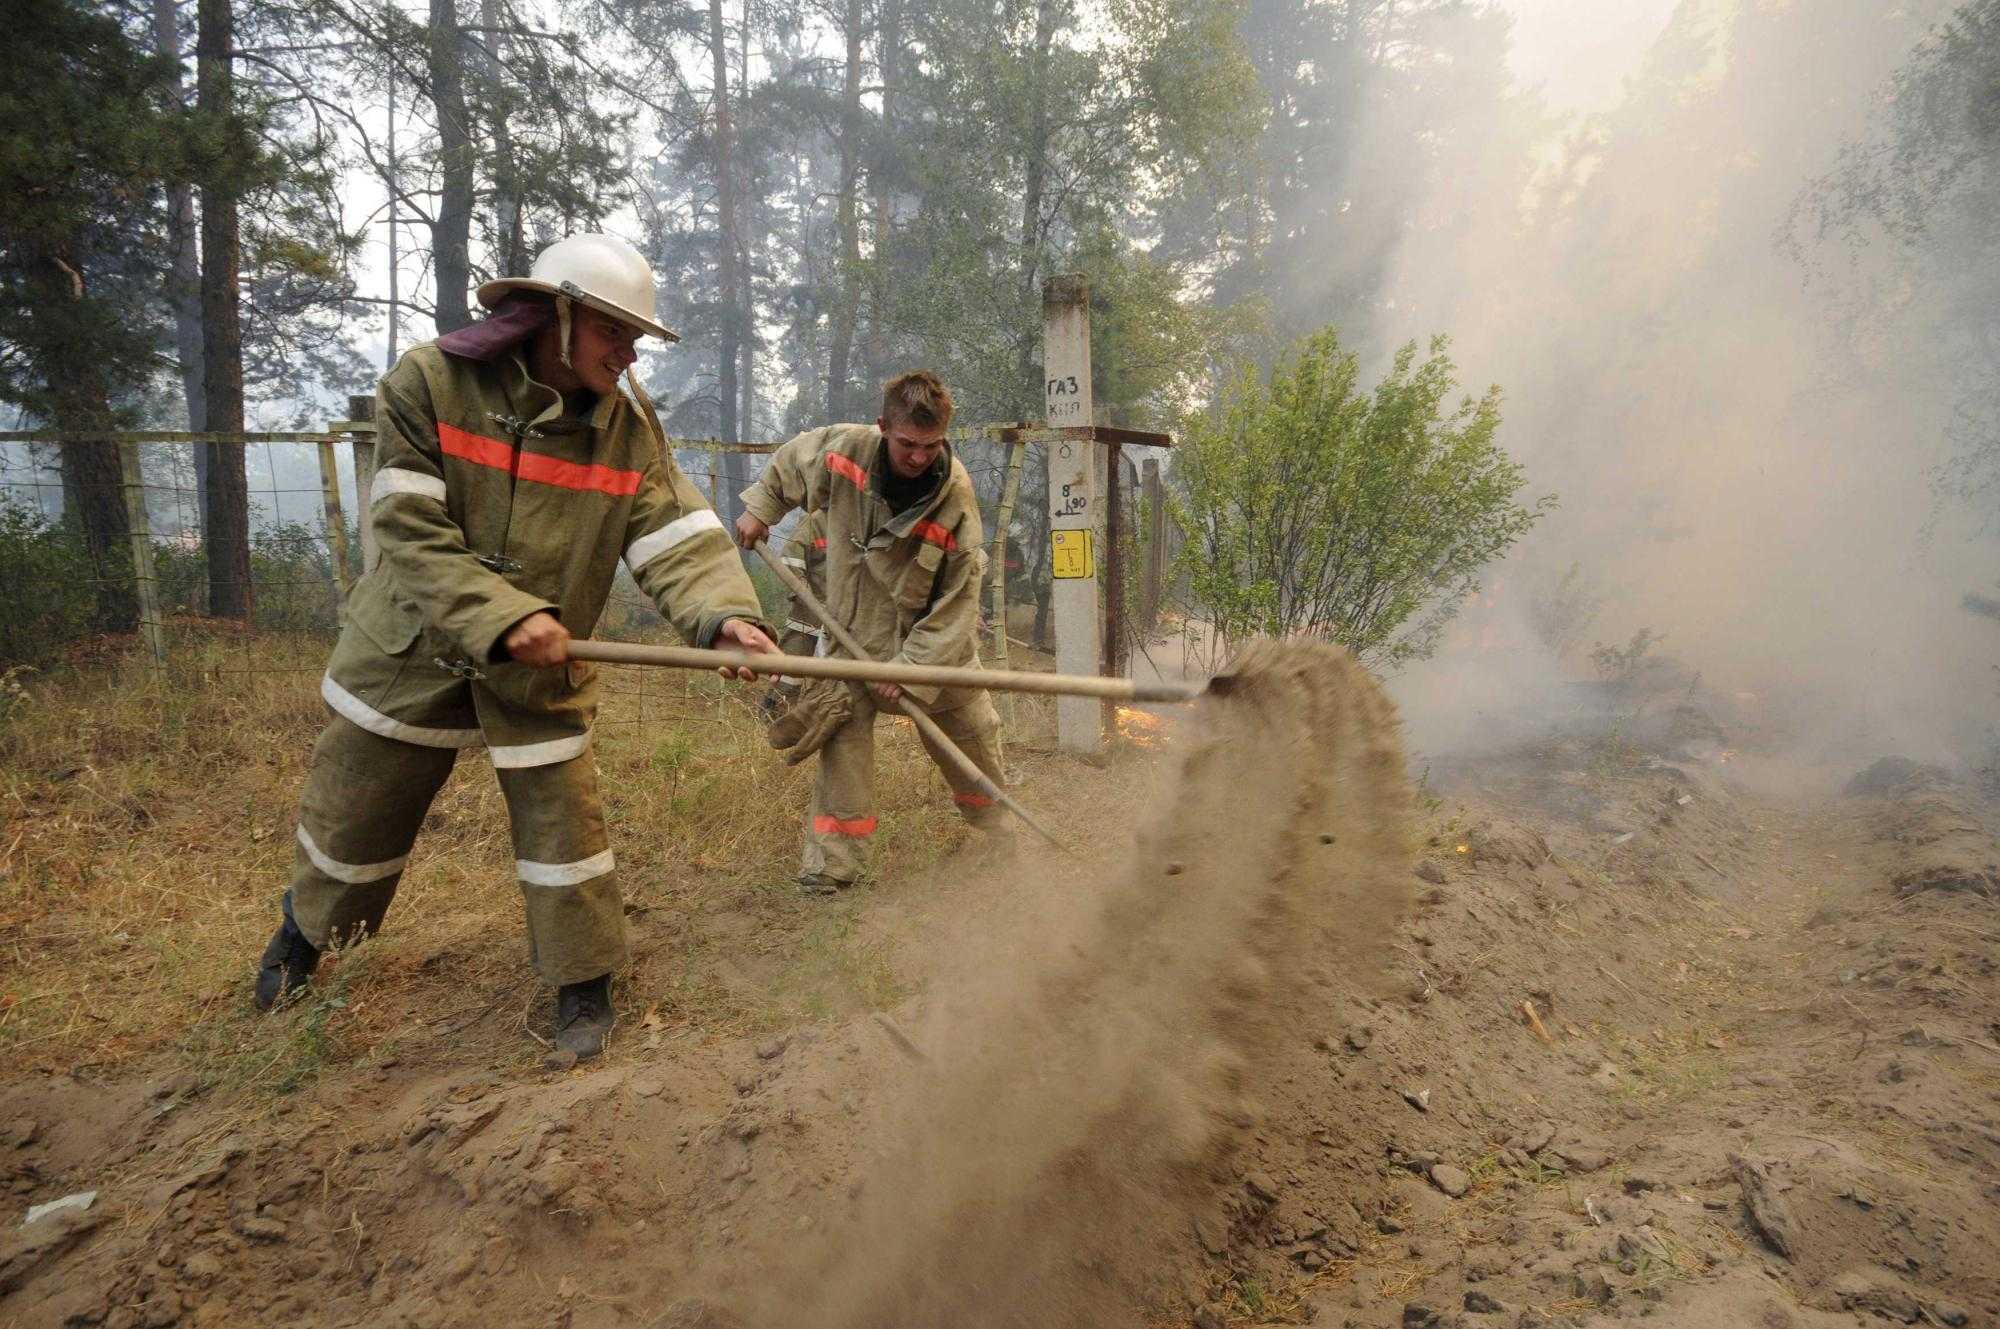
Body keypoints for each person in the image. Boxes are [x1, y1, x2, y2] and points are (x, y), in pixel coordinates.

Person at [252, 234, 777, 1059]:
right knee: (354, 810)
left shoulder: (628, 430)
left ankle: (583, 982)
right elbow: (406, 527)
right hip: (411, 645)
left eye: (635, 336)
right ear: (555, 314)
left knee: (565, 825)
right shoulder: (429, 383)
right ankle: (304, 939)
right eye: (614, 330)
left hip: (542, 671)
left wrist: (725, 618)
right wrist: (500, 613)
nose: (629, 351)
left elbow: (677, 535)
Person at [734, 371, 1008, 894]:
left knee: (973, 740)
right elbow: (792, 460)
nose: (918, 457)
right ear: (884, 427)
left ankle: (997, 830)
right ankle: (833, 869)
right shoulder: (844, 451)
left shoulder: (954, 498)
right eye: (907, 443)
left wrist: (906, 671)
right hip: (850, 634)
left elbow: (956, 606)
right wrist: (761, 509)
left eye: (930, 446)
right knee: (843, 746)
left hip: (931, 653)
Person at [758, 510, 828, 722]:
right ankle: (774, 715)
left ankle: (818, 717)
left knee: (836, 675)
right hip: (809, 616)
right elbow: (790, 557)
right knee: (791, 667)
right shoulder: (817, 521)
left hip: (846, 619)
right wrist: (804, 592)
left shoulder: (865, 520)